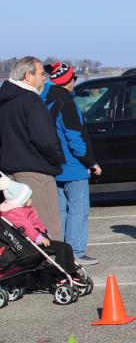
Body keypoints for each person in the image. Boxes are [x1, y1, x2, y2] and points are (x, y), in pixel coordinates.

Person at [41, 62, 100, 265]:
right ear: (70, 81)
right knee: (79, 210)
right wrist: (91, 162)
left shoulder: (45, 100)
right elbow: (75, 137)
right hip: (73, 166)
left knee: (60, 212)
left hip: (53, 165)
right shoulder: (66, 103)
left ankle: (61, 251)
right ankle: (75, 252)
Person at [0, 56, 65, 240]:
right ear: (28, 76)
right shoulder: (31, 100)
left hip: (10, 175)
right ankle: (55, 258)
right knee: (46, 225)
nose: (44, 78)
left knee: (21, 228)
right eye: (41, 74)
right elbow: (44, 139)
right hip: (36, 171)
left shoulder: (4, 101)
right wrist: (57, 159)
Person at [0, 176, 87, 285]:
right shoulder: (15, 213)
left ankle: (70, 272)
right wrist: (39, 238)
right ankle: (64, 275)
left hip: (34, 242)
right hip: (31, 246)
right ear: (21, 200)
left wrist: (44, 235)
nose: (31, 200)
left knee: (65, 247)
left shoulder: (21, 210)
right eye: (29, 198)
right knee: (63, 248)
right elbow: (26, 229)